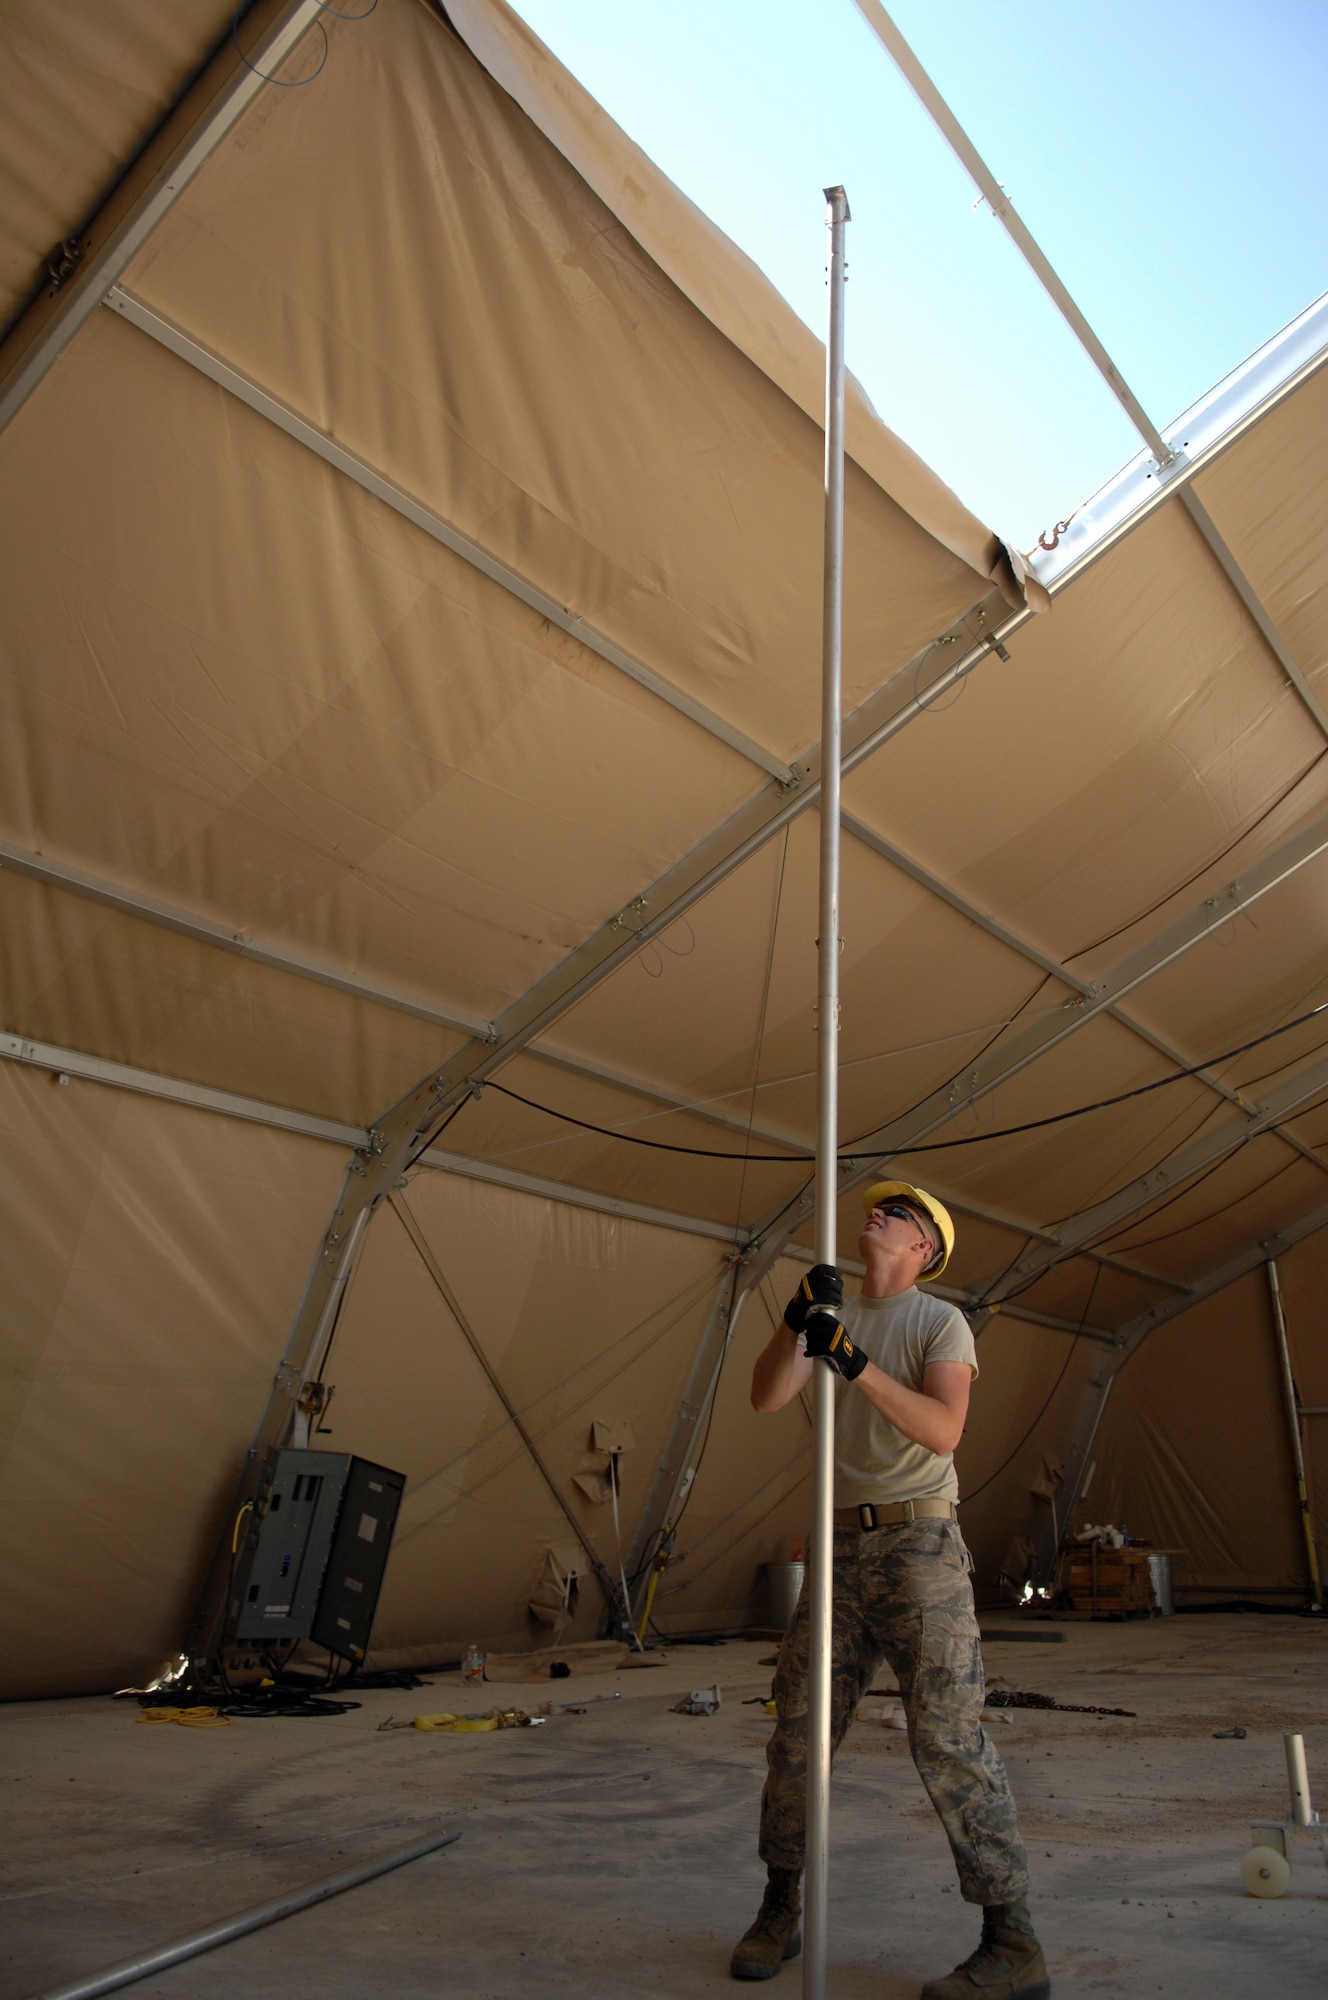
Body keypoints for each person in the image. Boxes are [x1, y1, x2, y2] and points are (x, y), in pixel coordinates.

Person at [729, 1181, 1049, 1999]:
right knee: (798, 1732)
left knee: (946, 1736)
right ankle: (779, 1907)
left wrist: (854, 1363)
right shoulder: (830, 1306)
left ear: (924, 1250)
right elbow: (767, 1396)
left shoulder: (940, 1322)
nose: (876, 1214)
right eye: (877, 1208)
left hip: (919, 1546)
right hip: (838, 1547)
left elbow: (943, 1429)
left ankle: (1012, 1942)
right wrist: (796, 1321)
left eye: (897, 1214)